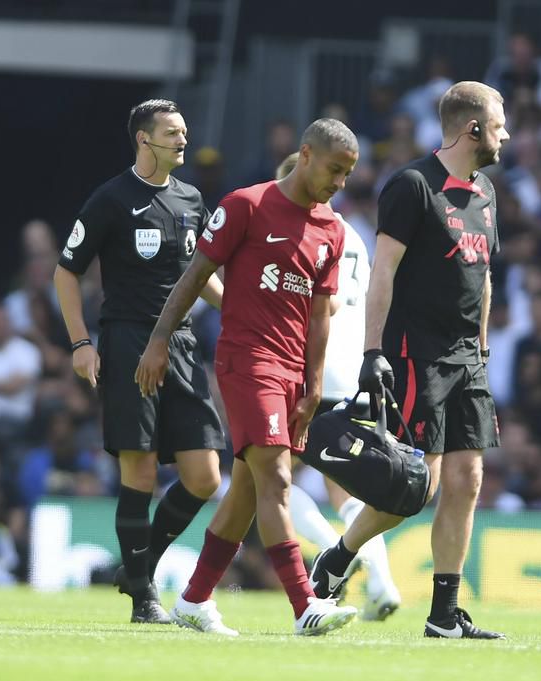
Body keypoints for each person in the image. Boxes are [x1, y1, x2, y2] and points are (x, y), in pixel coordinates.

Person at [134, 118, 361, 637]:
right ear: (306, 155)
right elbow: (195, 274)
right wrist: (159, 338)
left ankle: (194, 599)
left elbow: (320, 315)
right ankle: (305, 605)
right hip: (247, 361)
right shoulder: (246, 205)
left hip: (292, 371)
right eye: (334, 169)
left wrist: (314, 385)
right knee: (276, 478)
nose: (339, 182)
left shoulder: (332, 229)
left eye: (347, 174)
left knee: (245, 490)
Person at [310, 81, 510, 639]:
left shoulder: (487, 192)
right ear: (472, 128)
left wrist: (483, 347)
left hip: (467, 357)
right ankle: (340, 554)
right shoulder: (413, 186)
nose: (506, 136)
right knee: (417, 487)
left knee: (468, 479)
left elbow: (482, 275)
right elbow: (384, 273)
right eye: (499, 126)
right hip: (415, 353)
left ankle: (444, 615)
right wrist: (373, 352)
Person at [53, 99, 226, 624]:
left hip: (183, 344)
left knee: (205, 476)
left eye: (184, 131)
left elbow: (200, 274)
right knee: (141, 468)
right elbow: (66, 272)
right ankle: (144, 600)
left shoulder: (192, 199)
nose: (182, 140)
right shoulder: (111, 198)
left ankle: (137, 566)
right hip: (129, 341)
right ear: (143, 139)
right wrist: (81, 344)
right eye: (172, 132)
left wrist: (238, 309)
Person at [273, 152, 402, 622]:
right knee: (347, 488)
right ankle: (381, 583)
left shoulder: (297, 231)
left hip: (309, 370)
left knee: (266, 476)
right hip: (354, 371)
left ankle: (337, 555)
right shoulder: (355, 234)